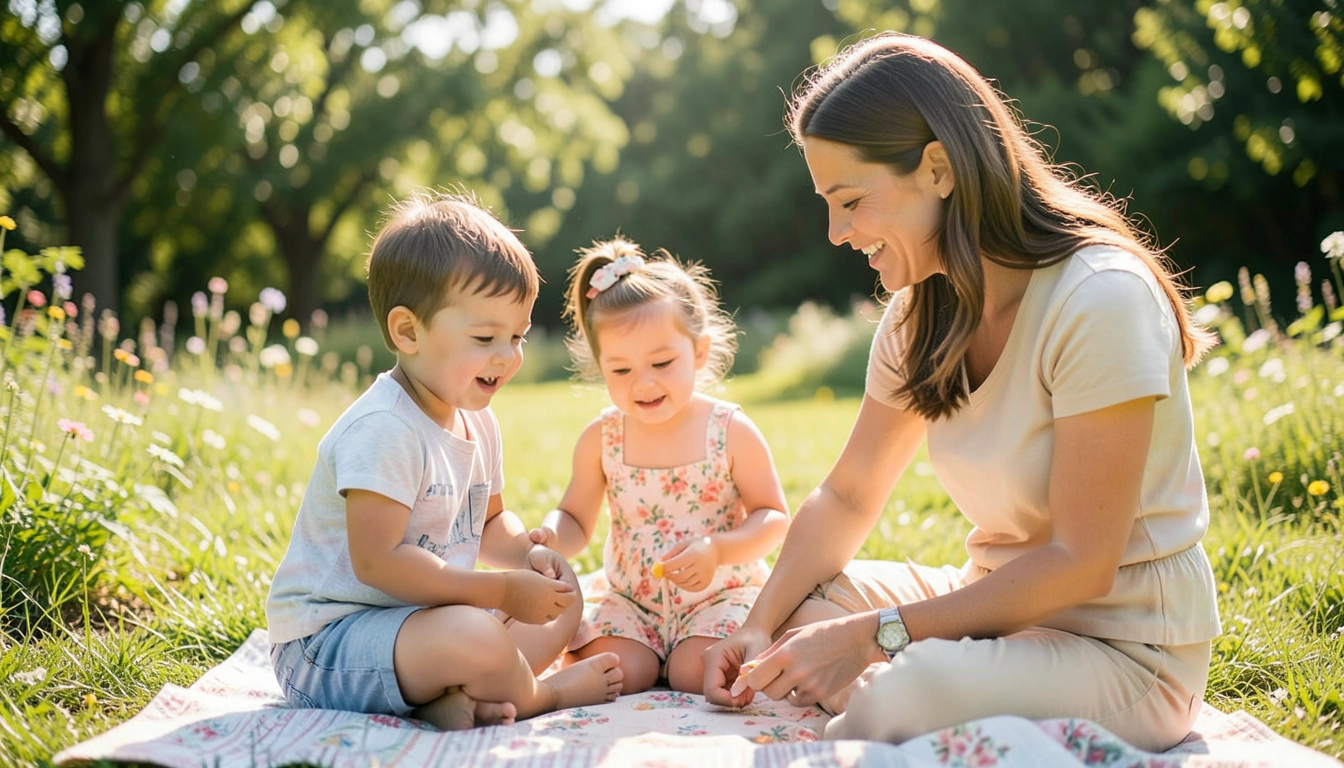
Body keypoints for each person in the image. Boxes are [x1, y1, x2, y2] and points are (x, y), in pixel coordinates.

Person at [702, 33, 1221, 753]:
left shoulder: (1100, 298)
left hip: (1127, 650)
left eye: (850, 200)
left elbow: (1081, 559)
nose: (835, 232)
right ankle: (895, 699)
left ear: (939, 168)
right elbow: (850, 495)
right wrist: (759, 624)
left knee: (910, 688)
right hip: (997, 612)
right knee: (801, 619)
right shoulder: (920, 314)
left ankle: (892, 705)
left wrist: (880, 636)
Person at [265, 191, 622, 731]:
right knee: (473, 635)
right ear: (408, 332)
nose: (507, 356)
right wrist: (500, 592)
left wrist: (526, 556)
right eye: (485, 337)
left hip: (417, 627)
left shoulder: (476, 419)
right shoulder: (384, 429)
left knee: (563, 592)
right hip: (328, 642)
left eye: (517, 336)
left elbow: (490, 524)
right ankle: (541, 695)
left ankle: (454, 698)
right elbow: (379, 564)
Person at [528, 237, 790, 694]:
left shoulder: (728, 430)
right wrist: (552, 534)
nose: (643, 383)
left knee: (697, 670)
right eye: (621, 371)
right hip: (631, 602)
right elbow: (575, 517)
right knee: (620, 670)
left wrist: (718, 550)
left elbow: (773, 517)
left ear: (699, 352)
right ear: (600, 367)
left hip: (719, 595)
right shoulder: (603, 438)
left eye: (662, 362)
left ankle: (684, 656)